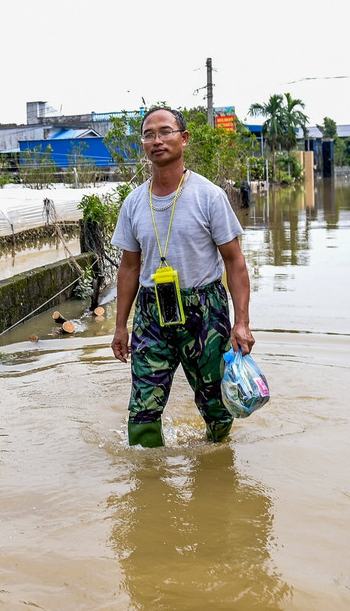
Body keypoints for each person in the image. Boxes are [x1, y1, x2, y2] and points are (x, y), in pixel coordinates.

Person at [110, 107, 254, 447]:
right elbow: (129, 267)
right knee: (143, 412)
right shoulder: (133, 203)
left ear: (184, 138)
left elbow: (234, 262)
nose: (156, 140)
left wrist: (242, 323)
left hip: (204, 311)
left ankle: (217, 472)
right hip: (151, 314)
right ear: (143, 144)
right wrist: (120, 326)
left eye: (165, 132)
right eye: (148, 134)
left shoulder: (208, 197)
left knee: (217, 408)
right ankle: (149, 484)